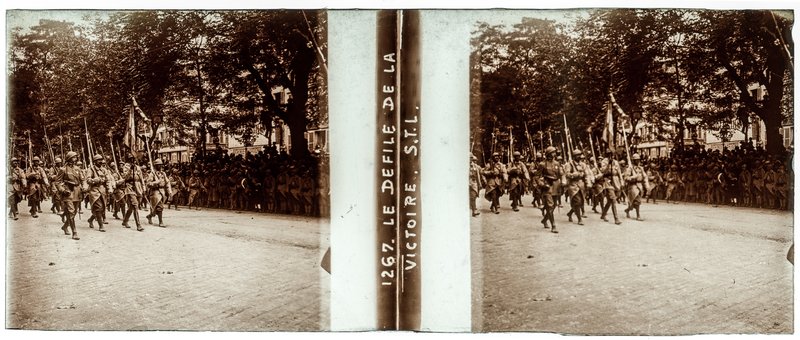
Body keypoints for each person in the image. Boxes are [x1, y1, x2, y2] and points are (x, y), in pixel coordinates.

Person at [54, 151, 85, 240]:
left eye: (76, 157)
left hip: (77, 192)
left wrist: (84, 187)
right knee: (71, 212)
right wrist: (63, 190)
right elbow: (58, 182)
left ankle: (65, 226)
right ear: (69, 158)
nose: (75, 159)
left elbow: (82, 180)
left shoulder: (78, 169)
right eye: (73, 157)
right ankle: (74, 232)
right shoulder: (63, 169)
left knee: (74, 212)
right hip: (68, 192)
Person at [537, 147, 562, 233]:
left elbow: (560, 175)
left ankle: (544, 220)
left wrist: (562, 183)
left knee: (554, 206)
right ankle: (553, 225)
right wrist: (542, 184)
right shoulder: (542, 164)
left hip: (555, 186)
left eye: (555, 152)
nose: (554, 154)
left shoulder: (557, 163)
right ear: (548, 154)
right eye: (552, 153)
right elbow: (537, 177)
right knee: (550, 206)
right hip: (547, 186)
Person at [85, 155, 111, 231]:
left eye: (101, 160)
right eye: (98, 160)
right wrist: (96, 180)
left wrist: (109, 189)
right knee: (99, 208)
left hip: (103, 190)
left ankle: (90, 219)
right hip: (94, 191)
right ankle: (101, 226)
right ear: (95, 161)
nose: (100, 162)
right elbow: (88, 180)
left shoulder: (104, 170)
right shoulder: (91, 169)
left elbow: (108, 180)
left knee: (102, 209)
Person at [117, 160, 145, 231]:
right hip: (130, 188)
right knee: (135, 205)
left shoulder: (138, 167)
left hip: (138, 188)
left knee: (131, 207)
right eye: (131, 158)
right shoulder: (126, 167)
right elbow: (125, 177)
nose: (133, 160)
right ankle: (138, 225)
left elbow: (141, 178)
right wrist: (130, 170)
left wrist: (143, 188)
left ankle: (125, 221)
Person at [564, 149, 587, 225]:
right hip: (573, 185)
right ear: (574, 156)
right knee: (578, 201)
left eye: (580, 155)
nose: (579, 156)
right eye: (577, 155)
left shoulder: (583, 164)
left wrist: (587, 182)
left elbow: (586, 174)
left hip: (581, 185)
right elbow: (567, 174)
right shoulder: (569, 164)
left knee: (581, 202)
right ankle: (579, 219)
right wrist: (575, 174)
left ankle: (570, 213)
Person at [623, 153, 648, 221]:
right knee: (637, 200)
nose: (637, 161)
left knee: (634, 203)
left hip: (640, 186)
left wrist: (647, 186)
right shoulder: (630, 168)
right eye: (636, 160)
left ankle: (627, 210)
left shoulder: (641, 168)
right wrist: (633, 177)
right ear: (633, 160)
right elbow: (626, 177)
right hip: (632, 186)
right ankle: (638, 215)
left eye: (638, 160)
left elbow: (645, 176)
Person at [145, 159, 170, 227]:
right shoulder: (152, 174)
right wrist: (155, 182)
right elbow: (148, 183)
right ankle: (160, 222)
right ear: (155, 166)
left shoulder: (163, 173)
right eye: (158, 165)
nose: (160, 166)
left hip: (162, 192)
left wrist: (169, 192)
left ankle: (150, 216)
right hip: (155, 192)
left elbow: (167, 182)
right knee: (159, 206)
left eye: (161, 165)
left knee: (155, 209)